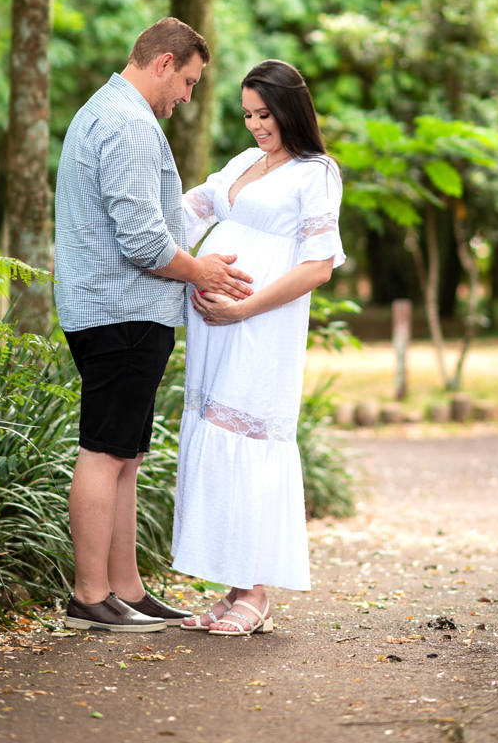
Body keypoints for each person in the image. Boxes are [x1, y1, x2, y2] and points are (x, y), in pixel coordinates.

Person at [54, 17, 254, 633]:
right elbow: (144, 242)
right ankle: (91, 595)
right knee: (103, 451)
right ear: (164, 63)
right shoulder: (131, 123)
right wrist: (202, 271)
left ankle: (126, 590)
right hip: (123, 312)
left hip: (115, 310)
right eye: (188, 82)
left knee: (125, 455)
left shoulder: (104, 111)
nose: (187, 97)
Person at [171, 59, 345, 635]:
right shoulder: (245, 162)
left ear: (291, 110)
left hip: (260, 325)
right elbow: (188, 209)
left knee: (247, 439)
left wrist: (244, 307)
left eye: (265, 114)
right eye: (247, 115)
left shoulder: (316, 172)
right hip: (216, 327)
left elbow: (319, 266)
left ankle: (257, 593)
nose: (255, 126)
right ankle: (234, 587)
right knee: (216, 437)